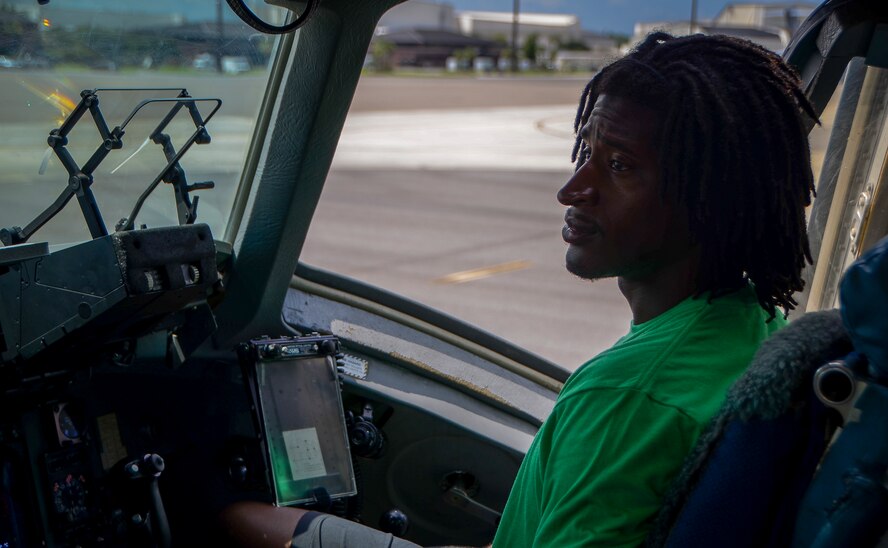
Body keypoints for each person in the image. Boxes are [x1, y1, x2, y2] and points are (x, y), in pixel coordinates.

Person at [220, 31, 817, 547]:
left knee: (240, 522)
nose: (571, 189)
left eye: (620, 166)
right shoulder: (751, 323)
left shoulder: (629, 395)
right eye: (588, 150)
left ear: (709, 200)